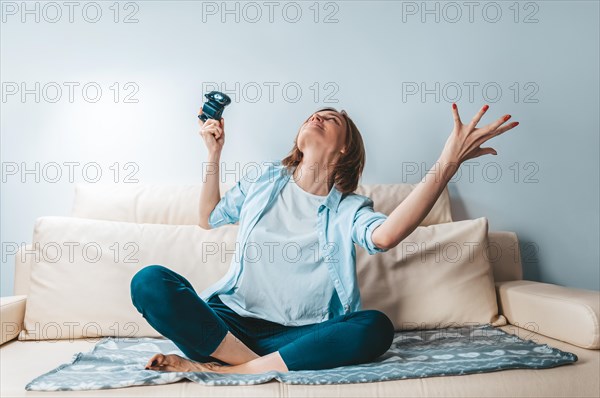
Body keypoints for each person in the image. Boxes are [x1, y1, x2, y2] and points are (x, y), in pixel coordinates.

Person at [130, 103, 519, 374]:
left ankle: (233, 371)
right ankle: (247, 366)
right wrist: (213, 153)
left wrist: (447, 162)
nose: (317, 116)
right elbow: (208, 219)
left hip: (303, 337)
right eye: (314, 115)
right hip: (228, 327)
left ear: (346, 146)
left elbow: (384, 237)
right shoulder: (265, 179)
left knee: (375, 326)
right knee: (149, 282)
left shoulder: (349, 208)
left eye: (330, 118)